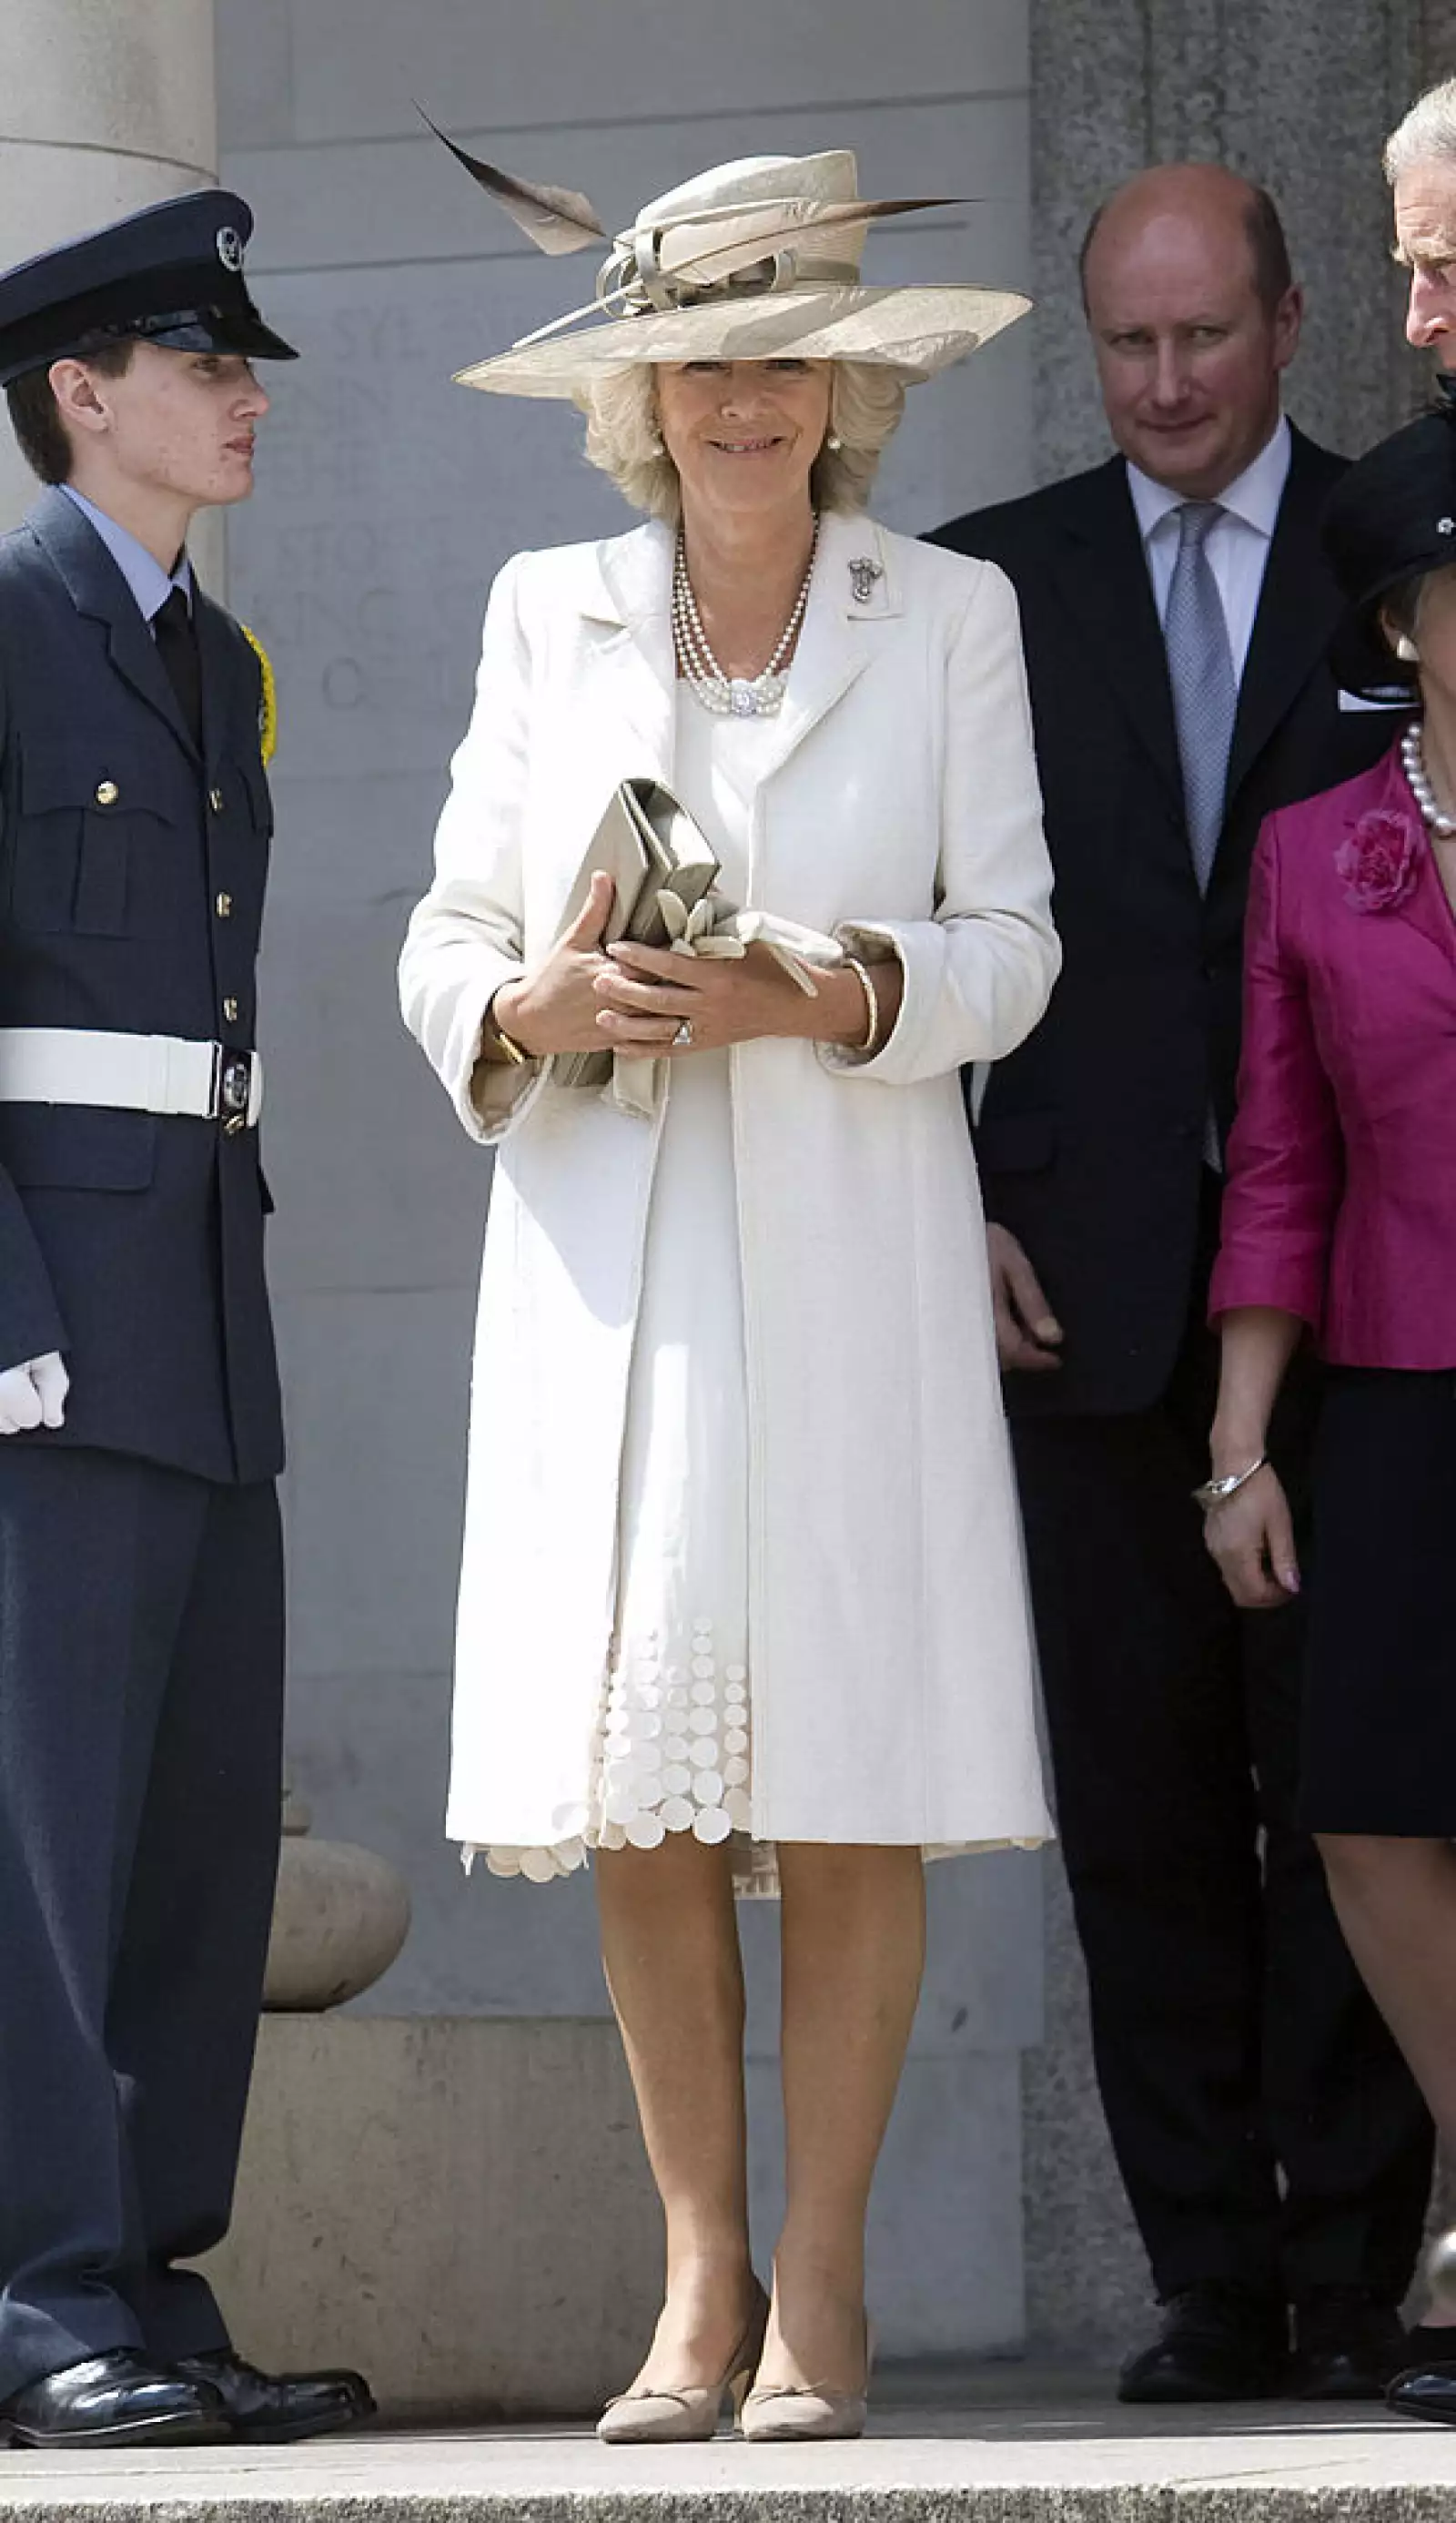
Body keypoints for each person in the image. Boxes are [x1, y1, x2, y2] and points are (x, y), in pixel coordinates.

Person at [399, 147, 1058, 2446]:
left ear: (845, 386)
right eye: (699, 364)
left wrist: (825, 993)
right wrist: (532, 1001)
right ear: (641, 398)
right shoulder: (541, 610)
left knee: (851, 1758)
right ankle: (699, 2281)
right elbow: (446, 939)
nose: (742, 401)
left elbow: (1013, 949)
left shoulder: (945, 614)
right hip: (619, 1277)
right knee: (648, 1783)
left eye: (782, 360)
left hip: (856, 1263)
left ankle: (825, 2283)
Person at [928, 163, 1432, 2403]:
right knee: (1136, 1811)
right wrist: (955, 1198)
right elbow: (918, 925)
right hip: (1080, 1290)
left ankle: (1355, 2267)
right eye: (1123, 344)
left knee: (1358, 1789)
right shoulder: (985, 586)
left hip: (1366, 1295)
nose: (1160, 384)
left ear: (1289, 321)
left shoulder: (1389, 549)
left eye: (1200, 336)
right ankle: (1209, 2277)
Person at [0, 195, 371, 2450]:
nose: (243, 396)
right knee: (44, 1835)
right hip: (49, 1322)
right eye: (198, 359)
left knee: (191, 1832)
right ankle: (39, 2302)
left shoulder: (214, 662)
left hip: (201, 1314)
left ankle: (147, 2274)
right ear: (79, 395)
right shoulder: (6, 624)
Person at [1204, 409, 1456, 2432]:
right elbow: (1278, 1168)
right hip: (1392, 1388)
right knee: (1365, 1812)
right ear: (1401, 623)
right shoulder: (1312, 852)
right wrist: (1237, 1450)